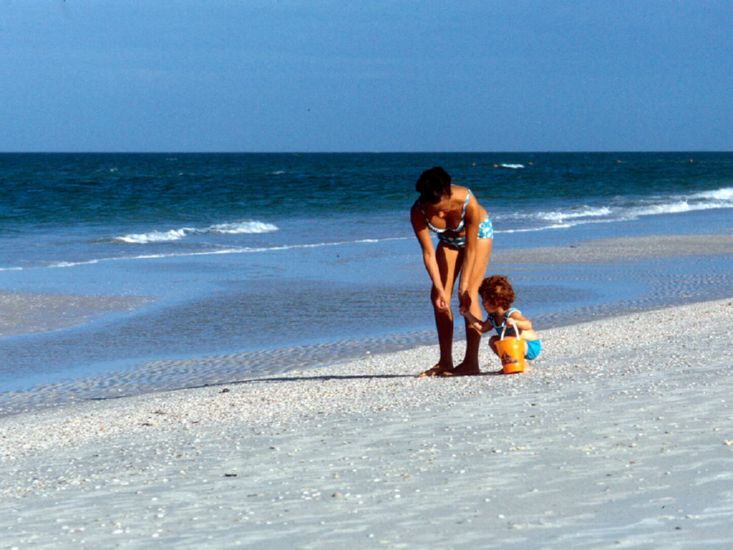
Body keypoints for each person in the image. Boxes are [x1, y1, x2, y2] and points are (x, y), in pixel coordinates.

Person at [410, 166, 494, 377]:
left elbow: (471, 248)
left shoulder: (466, 199)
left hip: (478, 237)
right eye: (433, 208)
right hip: (448, 241)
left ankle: (471, 363)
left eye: (442, 208)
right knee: (439, 298)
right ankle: (445, 361)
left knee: (469, 295)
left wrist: (464, 286)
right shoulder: (418, 211)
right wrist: (439, 288)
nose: (438, 214)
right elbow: (428, 254)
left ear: (449, 192)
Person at [461, 275, 541, 363]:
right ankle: (509, 363)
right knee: (493, 341)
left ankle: (521, 364)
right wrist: (467, 314)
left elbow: (528, 324)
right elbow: (483, 328)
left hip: (530, 345)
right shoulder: (493, 316)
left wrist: (515, 322)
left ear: (497, 300)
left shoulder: (511, 314)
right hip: (514, 344)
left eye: (486, 300)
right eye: (483, 299)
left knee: (507, 340)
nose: (483, 303)